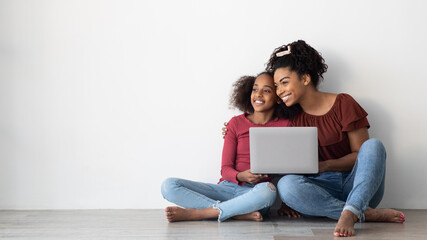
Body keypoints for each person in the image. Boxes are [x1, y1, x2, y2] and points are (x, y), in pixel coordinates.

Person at [266, 40, 405, 237]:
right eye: (276, 85)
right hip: (319, 190)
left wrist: (325, 166)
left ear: (305, 78)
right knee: (286, 185)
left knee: (374, 146)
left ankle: (352, 210)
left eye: (284, 82)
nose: (279, 91)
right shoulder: (290, 117)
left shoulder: (343, 103)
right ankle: (361, 213)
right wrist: (230, 129)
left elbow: (362, 155)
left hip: (357, 185)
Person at [161, 72, 296, 222]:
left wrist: (286, 202)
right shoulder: (236, 123)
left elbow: (289, 168)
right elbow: (225, 169)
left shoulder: (285, 125)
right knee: (169, 185)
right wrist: (241, 176)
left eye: (266, 90)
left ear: (277, 97)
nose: (258, 95)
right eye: (254, 89)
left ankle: (200, 214)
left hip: (255, 193)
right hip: (226, 188)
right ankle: (237, 214)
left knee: (269, 191)